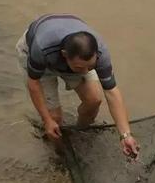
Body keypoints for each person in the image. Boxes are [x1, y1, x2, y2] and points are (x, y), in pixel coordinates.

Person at [16, 14, 139, 157]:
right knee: (54, 118)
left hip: (75, 58)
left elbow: (112, 92)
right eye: (81, 68)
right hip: (40, 59)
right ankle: (60, 157)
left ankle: (80, 134)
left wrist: (126, 135)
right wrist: (47, 120)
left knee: (94, 100)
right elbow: (34, 83)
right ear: (64, 55)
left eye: (91, 67)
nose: (86, 72)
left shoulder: (100, 53)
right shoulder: (41, 48)